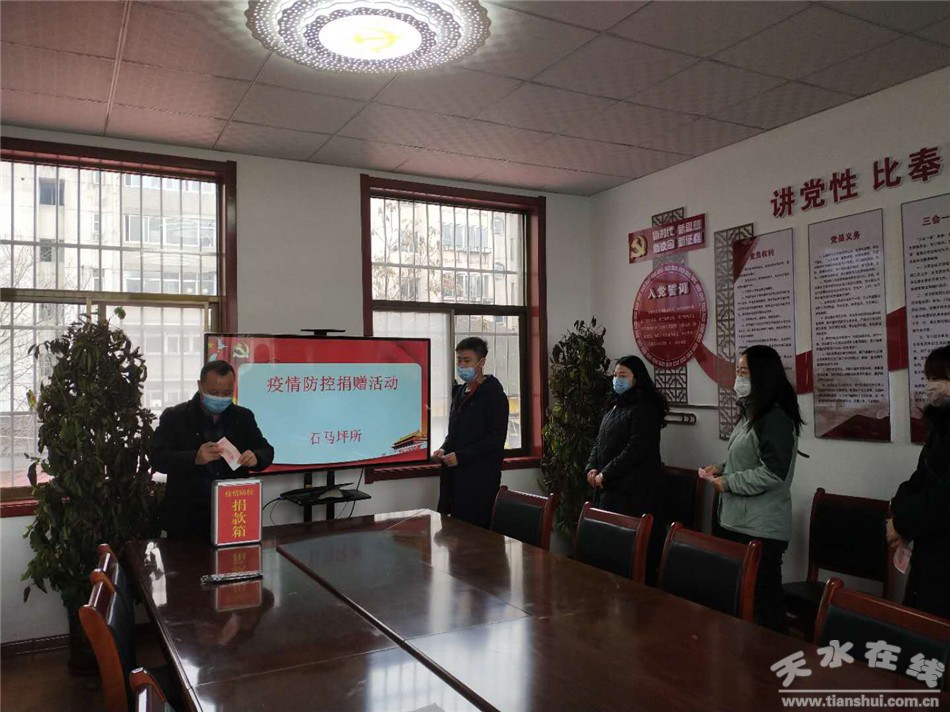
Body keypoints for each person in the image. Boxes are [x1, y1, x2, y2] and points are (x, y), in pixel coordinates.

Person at [702, 345, 803, 632]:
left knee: (763, 610)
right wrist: (722, 468)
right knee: (738, 606)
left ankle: (774, 659)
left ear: (763, 376)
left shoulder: (775, 417)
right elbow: (748, 458)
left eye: (744, 372)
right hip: (739, 521)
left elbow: (773, 472)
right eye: (737, 372)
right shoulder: (751, 414)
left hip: (760, 529)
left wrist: (729, 481)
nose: (738, 379)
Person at [151, 360, 274, 541]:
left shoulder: (243, 417)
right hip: (186, 518)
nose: (220, 398)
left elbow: (266, 450)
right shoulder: (175, 417)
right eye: (214, 393)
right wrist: (194, 458)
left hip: (232, 513)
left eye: (227, 393)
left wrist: (257, 457)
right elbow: (157, 458)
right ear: (200, 386)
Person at [887, 344, 950, 620]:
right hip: (929, 556)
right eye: (930, 377)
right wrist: (898, 509)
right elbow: (918, 479)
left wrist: (901, 522)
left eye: (941, 378)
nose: (933, 385)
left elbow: (943, 501)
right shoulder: (940, 426)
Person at [435, 337, 509, 529]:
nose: (461, 365)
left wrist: (461, 456)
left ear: (481, 362)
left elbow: (495, 439)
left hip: (479, 481)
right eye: (459, 360)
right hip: (454, 478)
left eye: (467, 360)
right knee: (451, 533)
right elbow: (454, 432)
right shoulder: (460, 392)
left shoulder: (494, 396)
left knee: (474, 538)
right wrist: (444, 449)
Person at [585, 355, 667, 518]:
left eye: (623, 376)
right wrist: (592, 468)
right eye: (615, 375)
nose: (617, 380)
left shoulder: (645, 408)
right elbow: (599, 441)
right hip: (608, 488)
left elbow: (636, 449)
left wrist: (606, 473)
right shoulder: (614, 406)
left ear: (636, 379)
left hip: (633, 492)